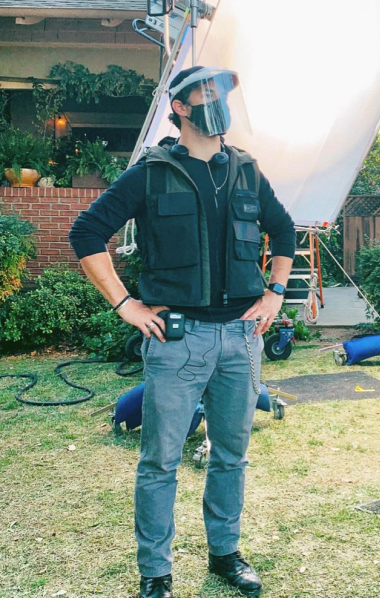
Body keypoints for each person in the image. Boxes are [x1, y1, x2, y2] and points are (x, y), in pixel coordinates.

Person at [69, 65, 296, 598]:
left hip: (241, 341)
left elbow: (284, 230)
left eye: (224, 93)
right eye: (207, 93)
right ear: (180, 107)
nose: (219, 101)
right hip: (177, 340)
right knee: (160, 461)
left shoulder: (245, 169)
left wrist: (274, 292)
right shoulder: (151, 172)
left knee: (231, 455)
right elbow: (87, 233)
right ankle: (156, 572)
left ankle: (225, 554)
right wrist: (125, 304)